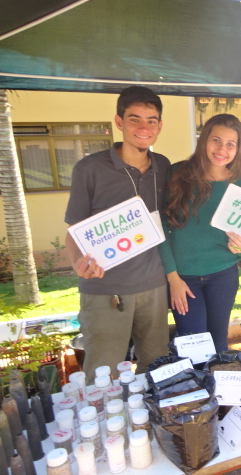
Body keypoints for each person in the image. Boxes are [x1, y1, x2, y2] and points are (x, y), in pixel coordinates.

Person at [64, 86, 171, 382]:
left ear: (159, 126)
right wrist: (78, 264)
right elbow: (74, 230)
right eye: (134, 119)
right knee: (104, 375)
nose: (143, 127)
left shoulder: (163, 166)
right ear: (119, 121)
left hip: (153, 287)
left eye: (151, 120)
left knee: (157, 370)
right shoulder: (89, 169)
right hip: (105, 289)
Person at [159, 114, 241, 352]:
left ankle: (216, 378)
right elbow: (161, 227)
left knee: (219, 343)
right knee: (193, 347)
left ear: (238, 149)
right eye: (216, 140)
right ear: (204, 140)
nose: (222, 149)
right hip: (183, 278)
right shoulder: (178, 174)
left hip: (223, 275)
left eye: (230, 144)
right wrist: (172, 278)